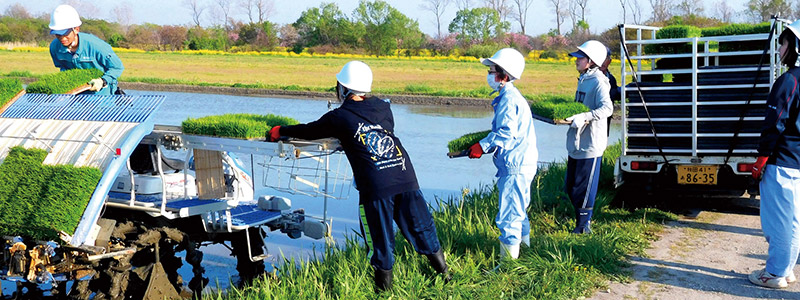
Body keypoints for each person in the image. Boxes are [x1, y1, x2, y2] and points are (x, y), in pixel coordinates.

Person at [268, 61, 449, 292]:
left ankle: (383, 293)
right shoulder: (384, 108)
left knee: (379, 240)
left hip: (376, 187)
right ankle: (445, 276)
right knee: (422, 228)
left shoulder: (340, 117)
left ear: (342, 88)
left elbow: (310, 131)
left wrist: (281, 130)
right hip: (405, 177)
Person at [467, 48, 538, 260]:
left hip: (516, 165)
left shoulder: (509, 98)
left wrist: (483, 146)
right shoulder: (509, 95)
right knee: (519, 210)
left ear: (504, 75)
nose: (489, 75)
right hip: (522, 162)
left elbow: (506, 133)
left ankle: (508, 264)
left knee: (509, 215)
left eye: (492, 70)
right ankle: (524, 252)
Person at [748, 19, 800, 289]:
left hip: (781, 161)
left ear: (796, 47)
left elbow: (775, 122)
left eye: (783, 42)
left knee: (778, 222)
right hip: (798, 163)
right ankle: (787, 269)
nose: (780, 48)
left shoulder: (789, 80)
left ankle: (775, 273)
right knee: (793, 221)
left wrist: (761, 158)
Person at [564, 40, 613, 234]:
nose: (576, 61)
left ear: (591, 61)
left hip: (591, 142)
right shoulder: (584, 78)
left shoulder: (599, 81)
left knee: (584, 187)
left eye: (580, 58)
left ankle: (583, 226)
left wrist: (586, 116)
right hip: (577, 140)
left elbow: (607, 108)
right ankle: (580, 223)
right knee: (571, 186)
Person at [48, 4, 124, 95]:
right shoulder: (54, 47)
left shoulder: (96, 46)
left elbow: (117, 67)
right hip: (77, 97)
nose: (62, 38)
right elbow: (63, 68)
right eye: (58, 34)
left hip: (103, 96)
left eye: (65, 33)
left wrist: (103, 81)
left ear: (76, 29)